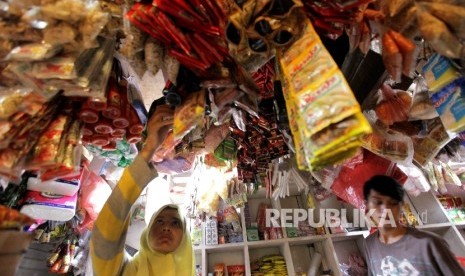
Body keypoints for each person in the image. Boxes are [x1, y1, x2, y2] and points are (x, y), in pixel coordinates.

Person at [90, 105, 195, 276]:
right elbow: (105, 236)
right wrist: (148, 150)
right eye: (159, 221)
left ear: (186, 239)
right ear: (147, 232)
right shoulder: (123, 270)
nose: (166, 227)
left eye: (175, 223)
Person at [363, 175, 465, 275]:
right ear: (367, 205)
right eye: (377, 202)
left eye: (393, 203)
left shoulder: (428, 244)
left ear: (401, 206)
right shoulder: (369, 244)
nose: (385, 210)